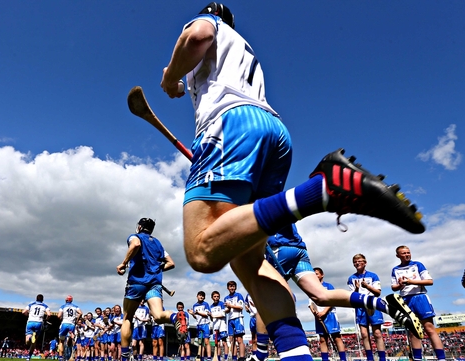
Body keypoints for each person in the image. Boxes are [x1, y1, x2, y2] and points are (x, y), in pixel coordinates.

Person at [160, 3, 425, 361]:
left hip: (228, 126)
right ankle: (296, 355)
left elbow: (198, 35)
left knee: (202, 253)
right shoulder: (242, 48)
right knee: (253, 268)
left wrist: (170, 77)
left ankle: (322, 191)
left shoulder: (213, 23)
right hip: (273, 133)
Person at [249, 225, 422, 361]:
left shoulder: (261, 195)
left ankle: (261, 354)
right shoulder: (278, 196)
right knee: (321, 295)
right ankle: (381, 303)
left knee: (263, 298)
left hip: (279, 247)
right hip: (299, 249)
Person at [116, 218, 177, 361]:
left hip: (137, 283)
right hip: (154, 283)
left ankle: (125, 356)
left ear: (139, 227)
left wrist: (124, 263)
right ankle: (175, 316)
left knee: (127, 318)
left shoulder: (135, 236)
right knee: (158, 316)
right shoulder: (158, 243)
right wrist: (155, 269)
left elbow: (135, 244)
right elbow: (171, 263)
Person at [391, 246, 445, 361]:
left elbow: (429, 281)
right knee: (413, 330)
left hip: (420, 297)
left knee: (429, 328)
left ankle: (441, 358)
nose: (407, 254)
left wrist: (410, 281)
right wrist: (401, 284)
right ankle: (417, 358)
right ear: (398, 256)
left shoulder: (417, 265)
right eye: (404, 253)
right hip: (405, 299)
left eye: (408, 252)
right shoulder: (395, 269)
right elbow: (394, 287)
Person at [348, 254, 386, 361]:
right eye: (355, 262)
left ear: (365, 262)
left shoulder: (373, 276)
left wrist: (367, 286)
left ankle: (382, 358)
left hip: (372, 304)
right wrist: (356, 289)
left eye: (360, 261)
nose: (357, 263)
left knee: (377, 333)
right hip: (360, 307)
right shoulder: (351, 278)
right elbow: (352, 297)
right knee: (364, 335)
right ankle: (370, 358)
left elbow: (378, 293)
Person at [309, 268, 347, 361]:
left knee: (336, 337)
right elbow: (310, 304)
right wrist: (315, 313)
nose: (315, 276)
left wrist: (324, 312)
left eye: (317, 274)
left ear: (322, 275)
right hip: (319, 317)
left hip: (330, 315)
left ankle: (343, 359)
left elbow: (333, 300)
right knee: (322, 339)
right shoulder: (311, 288)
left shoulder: (328, 286)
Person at [224, 281, 245, 361]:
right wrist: (227, 309)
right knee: (231, 340)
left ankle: (242, 358)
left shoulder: (239, 295)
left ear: (235, 287)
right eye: (230, 286)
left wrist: (230, 306)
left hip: (238, 318)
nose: (232, 288)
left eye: (233, 286)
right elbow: (227, 311)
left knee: (239, 339)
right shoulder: (226, 298)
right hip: (230, 320)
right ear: (228, 288)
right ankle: (234, 358)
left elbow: (240, 307)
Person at [189, 291, 212, 361]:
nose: (201, 297)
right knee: (200, 342)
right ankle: (201, 358)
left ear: (204, 297)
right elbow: (196, 317)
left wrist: (198, 312)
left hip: (205, 324)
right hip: (198, 325)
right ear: (197, 296)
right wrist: (192, 314)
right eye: (200, 295)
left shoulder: (206, 304)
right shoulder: (194, 305)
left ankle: (209, 358)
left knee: (206, 341)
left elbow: (206, 314)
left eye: (202, 296)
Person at [58, 295, 83, 360]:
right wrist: (77, 319)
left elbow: (59, 315)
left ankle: (61, 357)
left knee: (61, 341)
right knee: (71, 340)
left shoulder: (63, 306)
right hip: (72, 324)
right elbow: (80, 313)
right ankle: (70, 355)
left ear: (66, 300)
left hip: (64, 324)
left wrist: (61, 318)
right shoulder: (75, 306)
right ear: (71, 300)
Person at [210, 291, 229, 361]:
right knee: (217, 344)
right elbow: (212, 319)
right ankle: (218, 359)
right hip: (215, 327)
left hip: (222, 326)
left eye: (217, 296)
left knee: (224, 342)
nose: (216, 298)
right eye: (215, 296)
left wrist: (213, 316)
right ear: (212, 298)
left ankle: (226, 358)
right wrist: (210, 316)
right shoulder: (211, 307)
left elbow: (222, 314)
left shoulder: (222, 304)